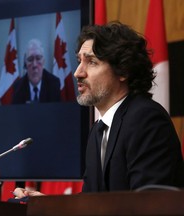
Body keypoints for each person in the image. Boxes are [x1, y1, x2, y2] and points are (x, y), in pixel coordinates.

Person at [13, 21, 184, 198]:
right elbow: (91, 202)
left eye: (92, 62)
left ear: (123, 71)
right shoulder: (98, 130)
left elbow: (148, 203)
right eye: (79, 61)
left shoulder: (146, 119)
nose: (77, 73)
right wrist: (46, 203)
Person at [12, 39, 61, 104]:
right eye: (30, 59)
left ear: (43, 61)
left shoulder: (54, 84)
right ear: (25, 63)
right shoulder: (18, 87)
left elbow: (56, 112)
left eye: (38, 58)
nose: (34, 65)